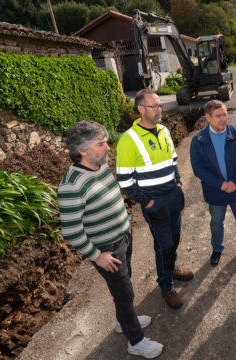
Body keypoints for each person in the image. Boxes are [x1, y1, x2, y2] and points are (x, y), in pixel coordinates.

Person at [58, 121, 163, 358]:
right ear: (83, 150)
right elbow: (71, 231)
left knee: (125, 283)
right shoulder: (72, 185)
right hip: (107, 249)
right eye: (101, 143)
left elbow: (115, 197)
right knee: (124, 294)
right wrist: (97, 256)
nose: (108, 147)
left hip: (123, 237)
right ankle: (135, 341)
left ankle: (122, 322)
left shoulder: (101, 167)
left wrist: (126, 222)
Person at [116, 89, 193, 309]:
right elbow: (125, 180)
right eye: (154, 106)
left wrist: (178, 183)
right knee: (165, 245)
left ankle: (171, 268)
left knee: (174, 239)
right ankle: (166, 285)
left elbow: (173, 161)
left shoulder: (164, 131)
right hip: (155, 202)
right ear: (141, 109)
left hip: (173, 197)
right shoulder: (128, 140)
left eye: (159, 106)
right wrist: (147, 202)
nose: (159, 110)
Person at [190, 100, 236, 266]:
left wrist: (235, 182)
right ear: (207, 117)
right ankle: (217, 249)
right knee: (216, 222)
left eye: (225, 114)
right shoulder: (199, 140)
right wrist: (220, 185)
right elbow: (198, 169)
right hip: (215, 190)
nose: (223, 119)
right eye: (218, 116)